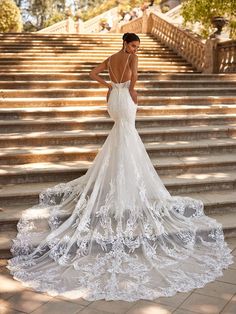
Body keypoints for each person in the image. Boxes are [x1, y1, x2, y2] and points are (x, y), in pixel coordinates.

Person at [6, 32, 233, 302]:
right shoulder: (129, 58)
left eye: (137, 47)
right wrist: (132, 92)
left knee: (121, 135)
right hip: (125, 98)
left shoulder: (112, 57)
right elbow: (134, 81)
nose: (136, 50)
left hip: (113, 97)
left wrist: (110, 85)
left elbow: (93, 73)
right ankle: (125, 178)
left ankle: (117, 174)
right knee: (128, 134)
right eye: (134, 45)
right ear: (125, 43)